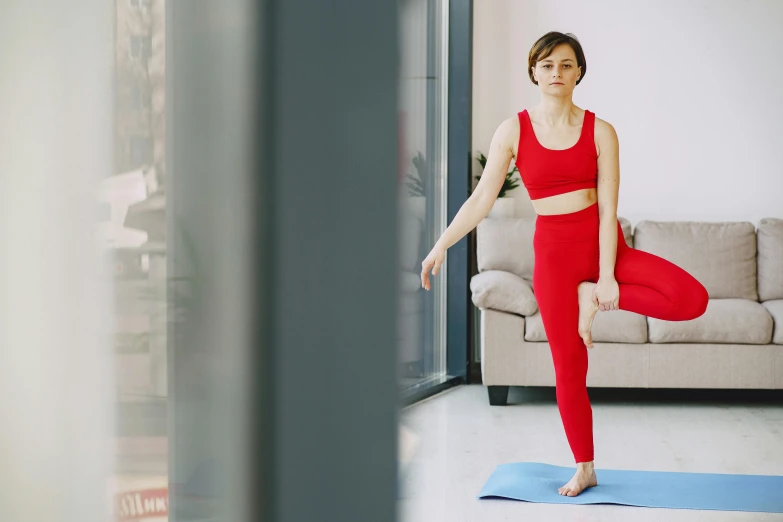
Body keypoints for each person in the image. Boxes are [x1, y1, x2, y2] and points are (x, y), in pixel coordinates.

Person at [419, 31, 708, 497]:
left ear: (579, 72)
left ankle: (587, 300)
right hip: (553, 258)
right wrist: (440, 246)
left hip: (603, 246)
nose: (557, 72)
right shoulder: (512, 130)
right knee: (569, 368)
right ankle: (585, 466)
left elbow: (609, 208)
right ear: (533, 71)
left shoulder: (601, 130)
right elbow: (480, 199)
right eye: (547, 64)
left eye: (566, 65)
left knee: (691, 299)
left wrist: (607, 279)